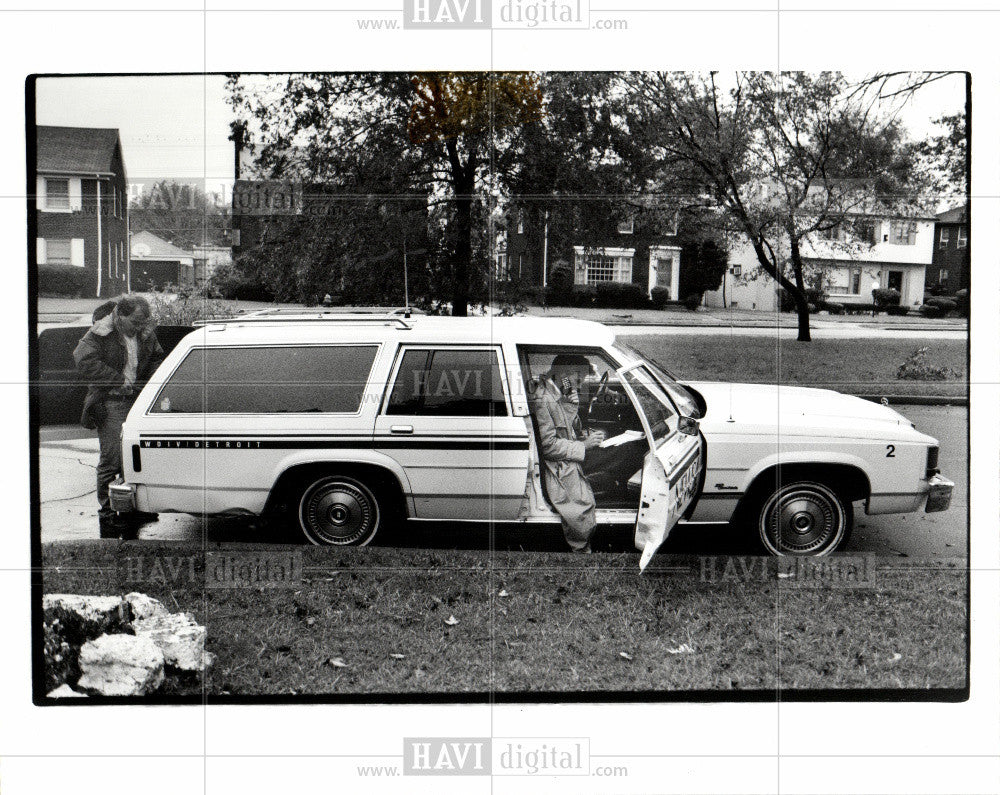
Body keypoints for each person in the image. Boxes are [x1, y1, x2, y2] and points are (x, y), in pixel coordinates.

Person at [73, 296, 164, 537]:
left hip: (138, 403)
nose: (139, 327)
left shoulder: (143, 332)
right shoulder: (101, 331)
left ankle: (133, 509)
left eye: (143, 322)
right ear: (119, 315)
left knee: (135, 459)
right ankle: (108, 514)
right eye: (134, 321)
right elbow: (83, 359)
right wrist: (116, 380)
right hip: (112, 403)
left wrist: (147, 383)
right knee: (111, 461)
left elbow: (156, 357)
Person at [529, 354, 606, 553]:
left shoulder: (558, 393)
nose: (580, 385)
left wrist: (572, 407)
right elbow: (548, 446)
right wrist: (585, 446)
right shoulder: (544, 400)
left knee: (617, 453)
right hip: (561, 464)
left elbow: (566, 431)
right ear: (563, 374)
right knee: (621, 456)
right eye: (578, 379)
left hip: (571, 454)